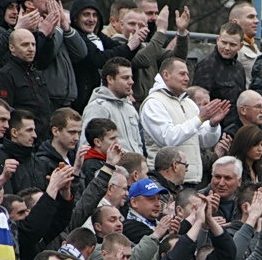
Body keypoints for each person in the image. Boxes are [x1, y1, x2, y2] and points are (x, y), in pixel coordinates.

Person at [141, 57, 228, 185]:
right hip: (165, 181)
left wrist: (212, 124)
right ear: (166, 75)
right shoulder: (153, 103)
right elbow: (168, 138)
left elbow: (203, 141)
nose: (187, 78)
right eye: (182, 74)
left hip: (192, 178)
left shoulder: (189, 103)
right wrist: (200, 118)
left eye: (187, 74)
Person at [80, 57, 144, 155]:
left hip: (136, 168)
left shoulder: (129, 107)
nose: (131, 82)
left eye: (131, 77)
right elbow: (87, 148)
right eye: (125, 78)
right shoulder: (98, 107)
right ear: (110, 79)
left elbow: (138, 144)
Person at [192, 22, 246, 125]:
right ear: (217, 40)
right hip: (213, 128)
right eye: (224, 42)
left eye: (232, 45)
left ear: (241, 46)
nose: (227, 48)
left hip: (235, 127)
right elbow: (198, 105)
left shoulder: (239, 68)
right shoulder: (206, 66)